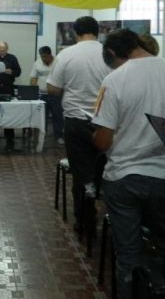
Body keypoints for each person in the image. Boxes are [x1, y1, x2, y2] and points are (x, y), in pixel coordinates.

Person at [92, 29, 165, 299]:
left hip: (123, 176)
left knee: (128, 254)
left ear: (112, 53)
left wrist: (94, 135)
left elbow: (103, 141)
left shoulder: (114, 80)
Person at [47, 16, 112, 226]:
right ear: (98, 32)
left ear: (75, 33)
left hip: (76, 120)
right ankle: (112, 216)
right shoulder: (109, 53)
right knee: (107, 168)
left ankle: (84, 220)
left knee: (81, 172)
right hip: (106, 121)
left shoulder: (66, 54)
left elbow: (52, 89)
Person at [30, 46, 64, 144]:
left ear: (50, 55)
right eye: (42, 56)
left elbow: (63, 78)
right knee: (42, 117)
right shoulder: (37, 63)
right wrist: (33, 94)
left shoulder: (58, 62)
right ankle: (42, 136)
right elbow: (33, 78)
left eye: (45, 56)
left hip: (55, 95)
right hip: (41, 95)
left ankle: (59, 136)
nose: (43, 59)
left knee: (57, 116)